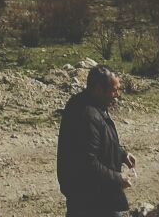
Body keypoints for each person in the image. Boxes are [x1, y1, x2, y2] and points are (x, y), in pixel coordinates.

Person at [57, 65, 135, 217]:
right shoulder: (86, 115)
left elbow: (100, 142)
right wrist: (118, 178)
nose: (117, 95)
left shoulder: (93, 106)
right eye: (114, 90)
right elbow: (87, 163)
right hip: (91, 202)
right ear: (99, 89)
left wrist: (121, 154)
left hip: (97, 197)